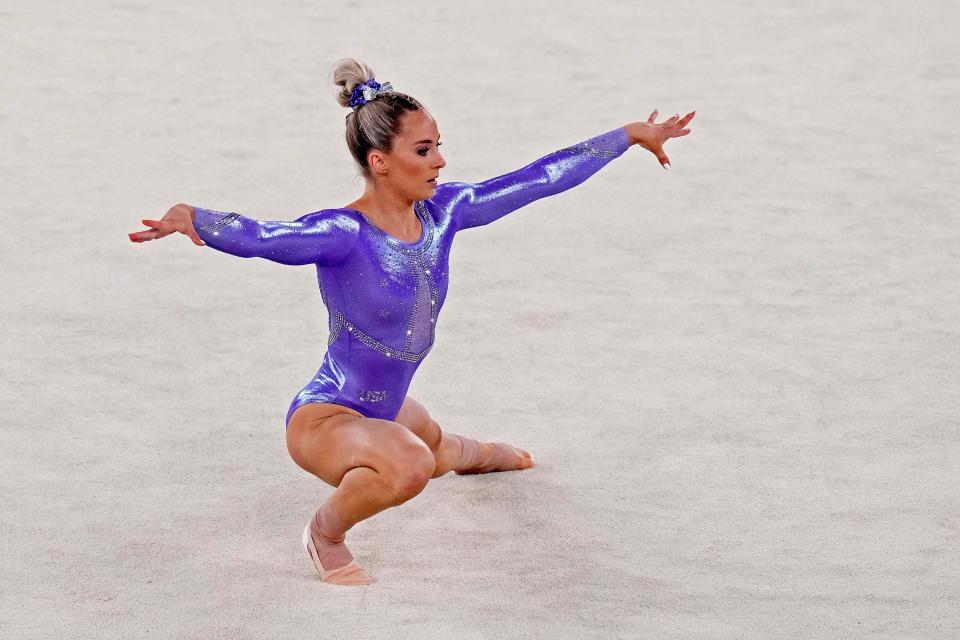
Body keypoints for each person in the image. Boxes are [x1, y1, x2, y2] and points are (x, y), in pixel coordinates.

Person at [128, 58, 695, 586]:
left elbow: (537, 179)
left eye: (439, 147)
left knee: (440, 449)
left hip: (387, 405)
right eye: (424, 151)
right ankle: (324, 534)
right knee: (410, 463)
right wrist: (194, 218)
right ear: (380, 161)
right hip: (327, 416)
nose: (441, 162)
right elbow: (267, 238)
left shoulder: (444, 212)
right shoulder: (342, 233)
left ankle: (476, 454)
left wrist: (626, 137)